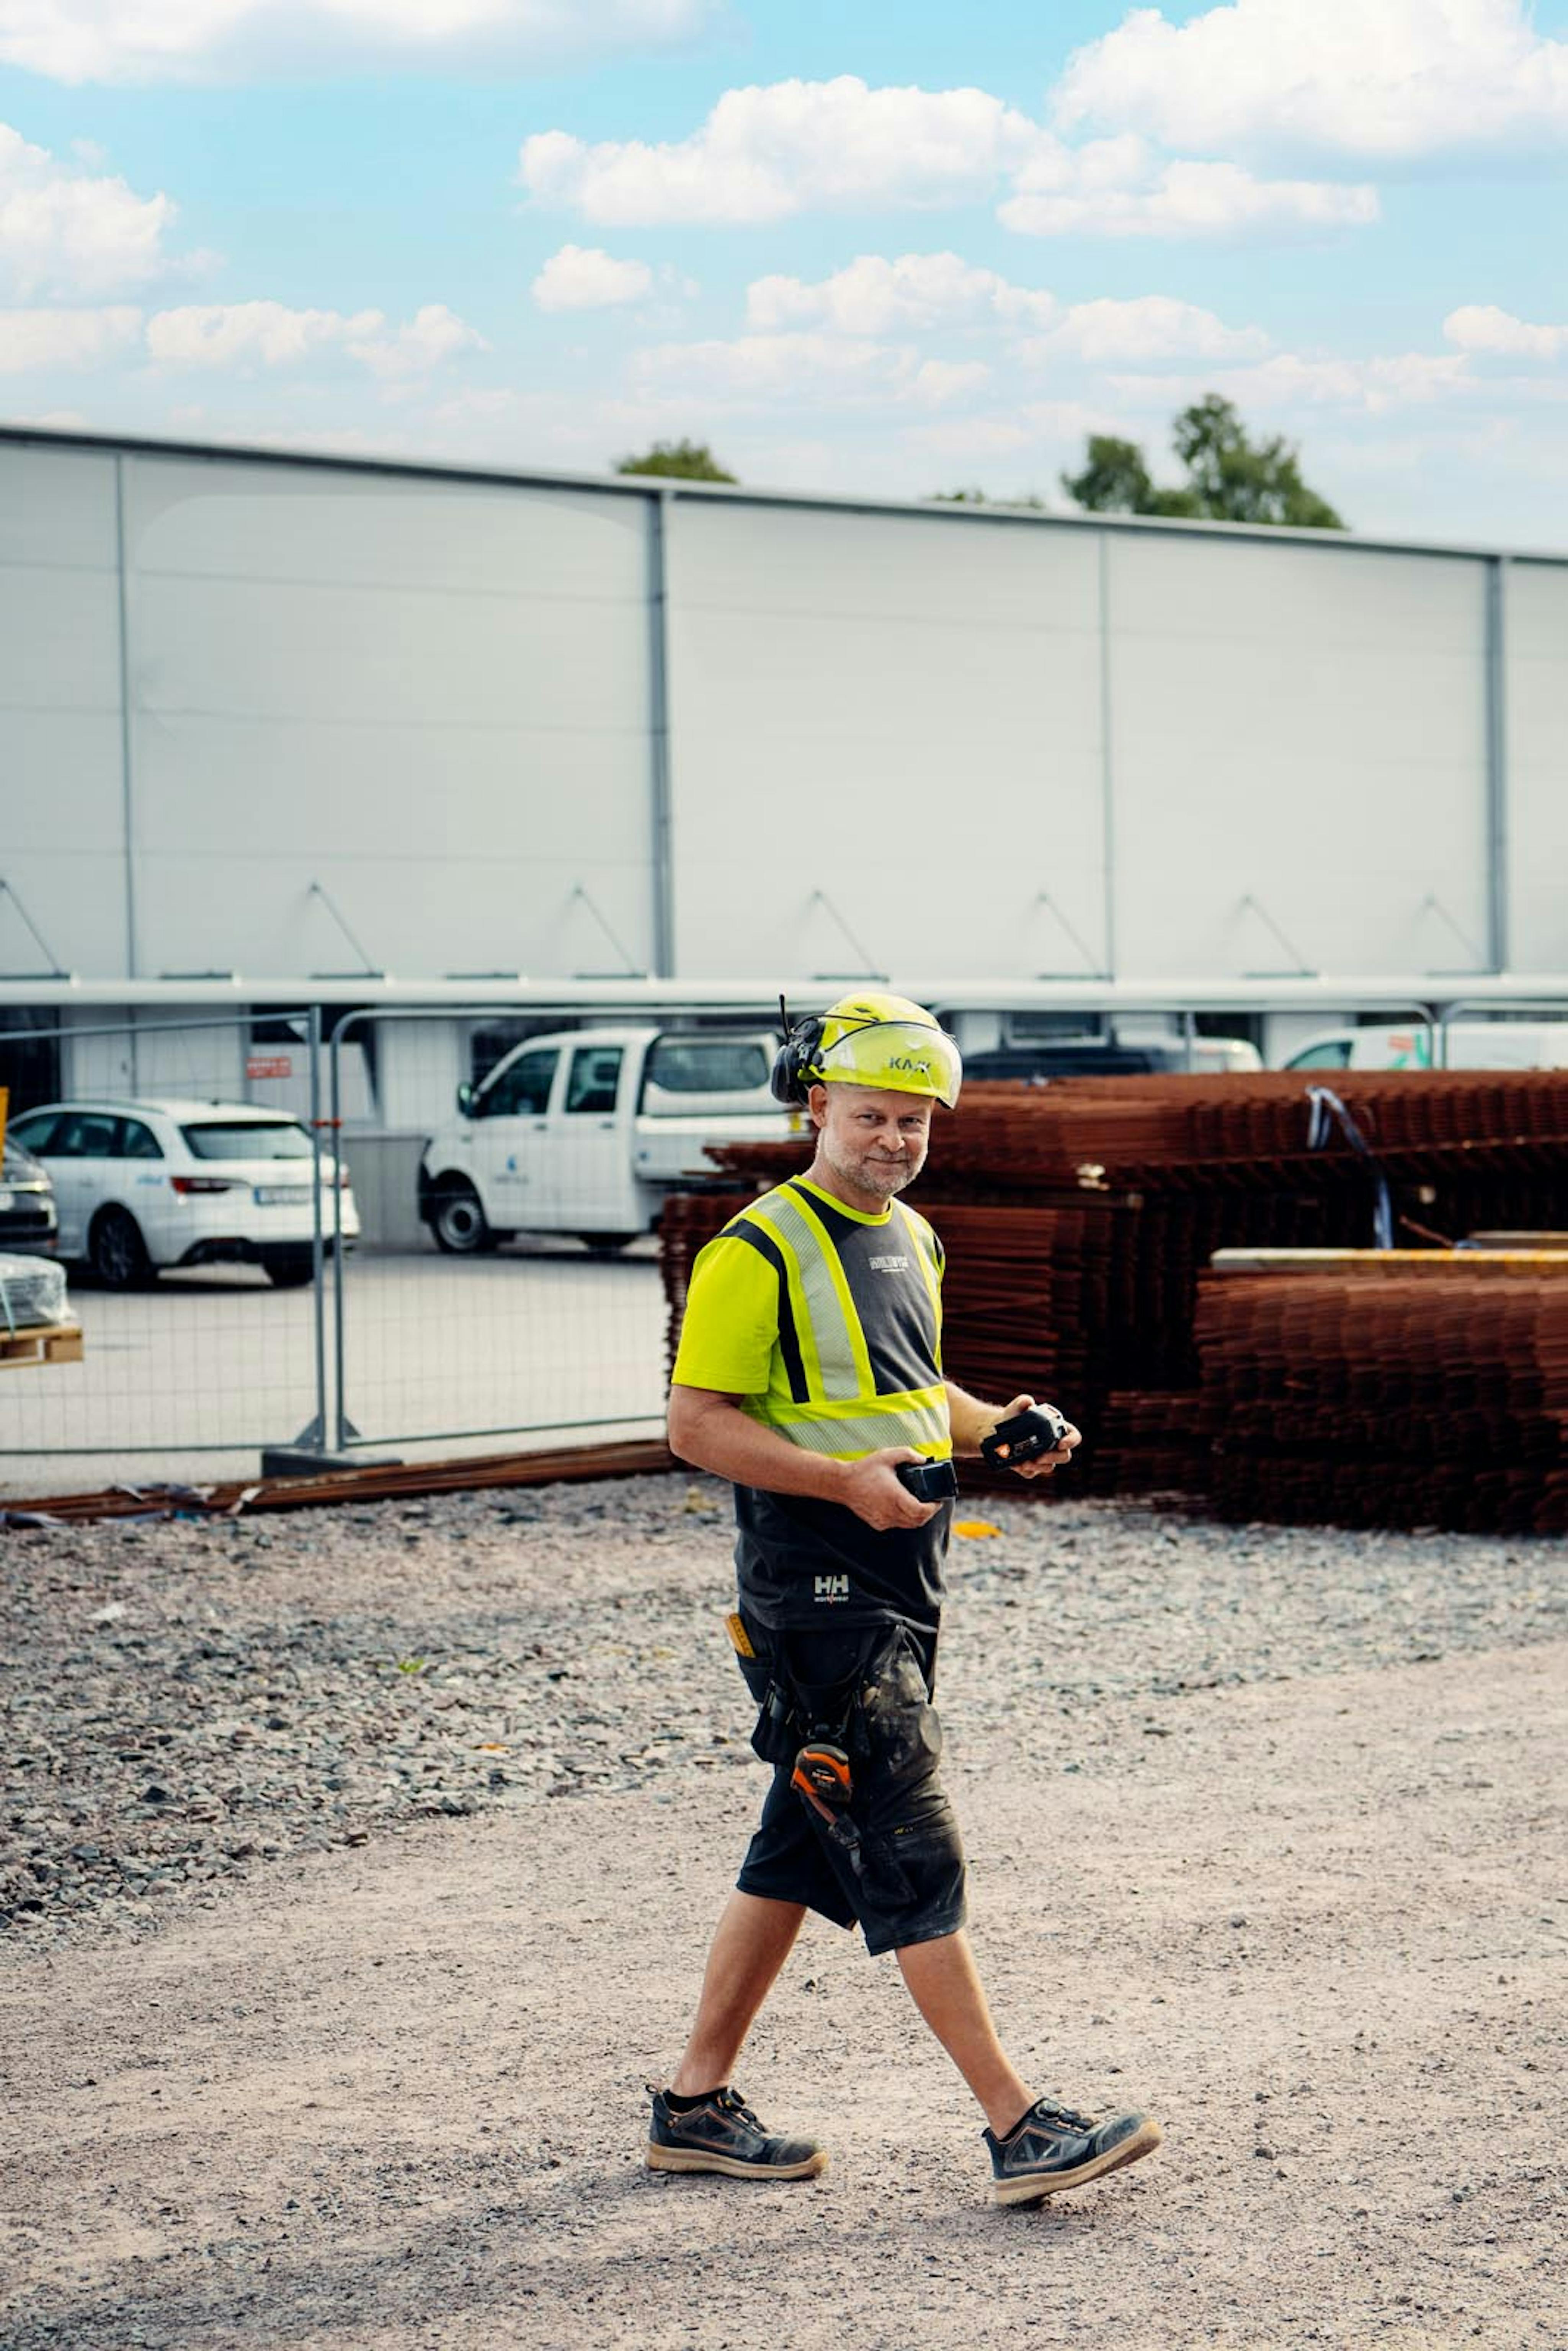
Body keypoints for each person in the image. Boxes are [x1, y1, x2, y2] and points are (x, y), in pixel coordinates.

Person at [648, 992, 1161, 2207]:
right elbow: (693, 1428)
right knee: (906, 1837)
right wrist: (840, 1483)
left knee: (799, 1847)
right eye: (872, 1115)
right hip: (814, 1587)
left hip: (903, 1576)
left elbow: (912, 1391)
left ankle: (694, 2105)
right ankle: (1018, 2124)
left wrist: (1005, 1428)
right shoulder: (756, 1250)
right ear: (814, 1105)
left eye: (915, 1121)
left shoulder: (911, 1239)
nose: (894, 1139)